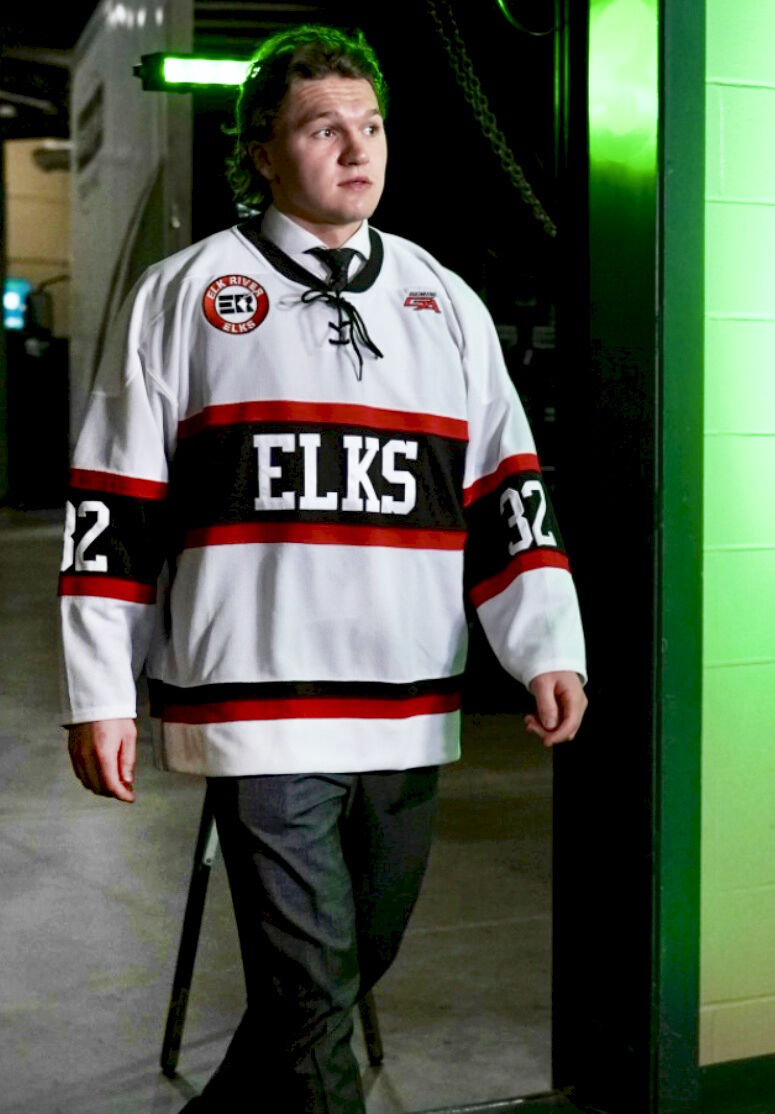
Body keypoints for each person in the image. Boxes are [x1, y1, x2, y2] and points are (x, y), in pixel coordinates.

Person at [59, 23, 587, 1114]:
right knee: (313, 998)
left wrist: (543, 643)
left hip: (406, 704)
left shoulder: (445, 304)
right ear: (261, 150)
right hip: (258, 709)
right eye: (322, 129)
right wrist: (102, 692)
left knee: (333, 984)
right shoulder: (184, 294)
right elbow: (112, 507)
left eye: (371, 125)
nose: (358, 149)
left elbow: (506, 497)